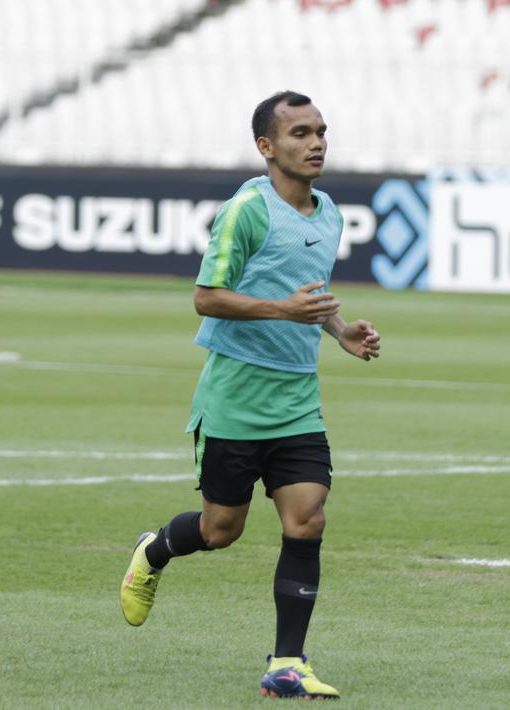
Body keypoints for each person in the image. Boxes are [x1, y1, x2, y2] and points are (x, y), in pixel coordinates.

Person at [119, 91, 380, 700]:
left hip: (297, 399)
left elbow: (309, 293)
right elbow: (206, 297)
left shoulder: (329, 213)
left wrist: (340, 331)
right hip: (235, 400)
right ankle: (154, 551)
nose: (316, 143)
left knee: (307, 518)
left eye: (320, 131)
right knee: (220, 531)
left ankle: (287, 663)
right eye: (299, 133)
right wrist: (282, 311)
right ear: (266, 146)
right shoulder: (246, 211)